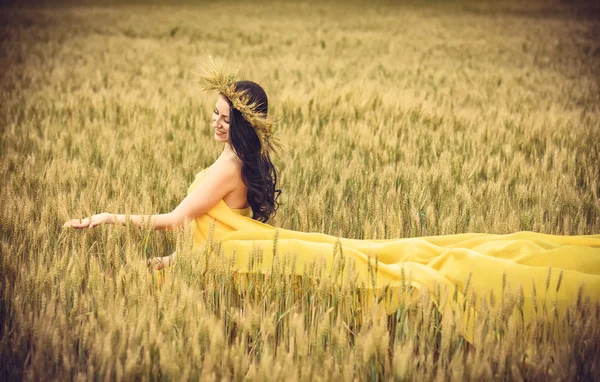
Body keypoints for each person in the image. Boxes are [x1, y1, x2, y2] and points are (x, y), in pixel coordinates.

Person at [64, 59, 600, 341]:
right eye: (215, 113)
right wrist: (178, 263)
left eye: (225, 117)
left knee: (399, 270)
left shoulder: (225, 168)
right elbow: (222, 234)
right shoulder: (241, 166)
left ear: (241, 127)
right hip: (254, 255)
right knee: (396, 261)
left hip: (250, 259)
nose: (215, 121)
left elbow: (178, 219)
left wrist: (108, 217)